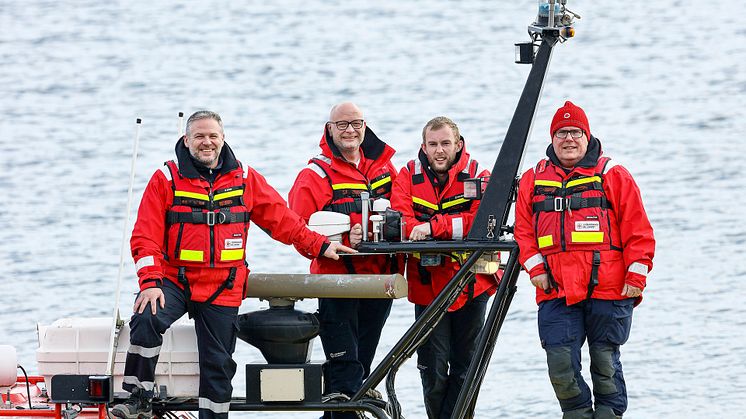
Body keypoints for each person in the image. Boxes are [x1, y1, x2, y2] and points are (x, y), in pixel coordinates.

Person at [111, 110, 354, 419]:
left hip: (222, 287)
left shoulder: (244, 177)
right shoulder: (166, 179)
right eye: (199, 136)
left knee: (219, 367)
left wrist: (320, 245)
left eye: (213, 136)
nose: (206, 142)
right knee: (146, 317)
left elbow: (283, 221)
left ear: (223, 138)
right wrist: (150, 282)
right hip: (174, 281)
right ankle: (137, 397)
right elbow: (144, 236)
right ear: (186, 141)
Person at [514, 101, 655, 419]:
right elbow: (524, 232)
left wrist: (636, 278)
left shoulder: (612, 174)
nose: (569, 139)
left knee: (605, 364)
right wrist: (535, 268)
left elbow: (639, 231)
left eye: (575, 132)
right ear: (552, 138)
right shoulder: (532, 180)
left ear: (587, 136)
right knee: (560, 364)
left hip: (609, 289)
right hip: (556, 290)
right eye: (562, 132)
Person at [288, 102, 398, 419]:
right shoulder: (314, 176)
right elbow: (299, 231)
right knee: (345, 374)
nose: (350, 130)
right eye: (342, 125)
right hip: (337, 285)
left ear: (365, 126)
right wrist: (342, 236)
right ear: (329, 129)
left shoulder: (384, 169)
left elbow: (404, 210)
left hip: (378, 285)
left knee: (360, 372)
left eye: (356, 123)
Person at [390, 116, 499, 419]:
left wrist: (433, 227)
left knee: (467, 366)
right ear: (423, 147)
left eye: (446, 143)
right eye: (433, 144)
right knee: (432, 370)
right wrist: (436, 227)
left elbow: (484, 222)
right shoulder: (406, 176)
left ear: (459, 144)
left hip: (474, 283)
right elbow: (401, 222)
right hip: (428, 287)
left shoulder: (479, 175)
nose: (439, 151)